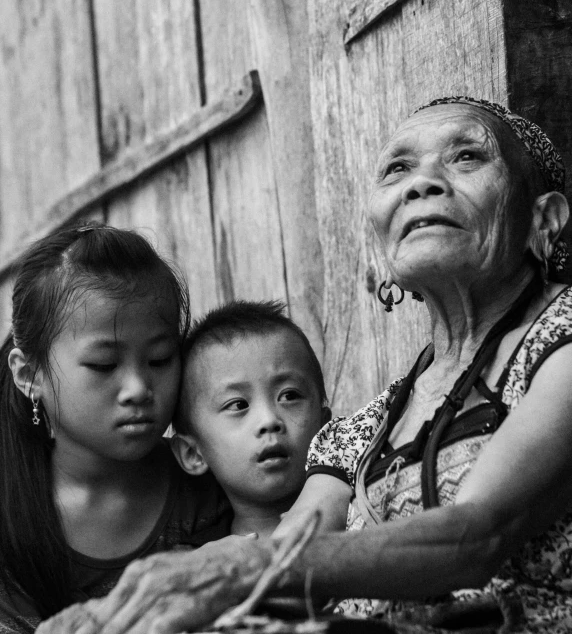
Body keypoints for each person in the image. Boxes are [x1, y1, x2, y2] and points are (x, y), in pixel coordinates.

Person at [36, 98, 572, 634]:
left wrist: (238, 570)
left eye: (466, 157)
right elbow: (298, 543)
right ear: (380, 245)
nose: (422, 183)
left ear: (543, 219)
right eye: (398, 168)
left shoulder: (561, 339)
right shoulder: (376, 421)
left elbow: (478, 536)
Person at [0, 224, 232, 634]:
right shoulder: (13, 523)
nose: (139, 389)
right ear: (28, 374)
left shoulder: (208, 483)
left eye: (160, 359)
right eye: (104, 365)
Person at [170, 300, 331, 539]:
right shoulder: (203, 562)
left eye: (289, 395)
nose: (269, 420)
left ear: (327, 426)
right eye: (238, 405)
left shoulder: (361, 521)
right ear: (193, 453)